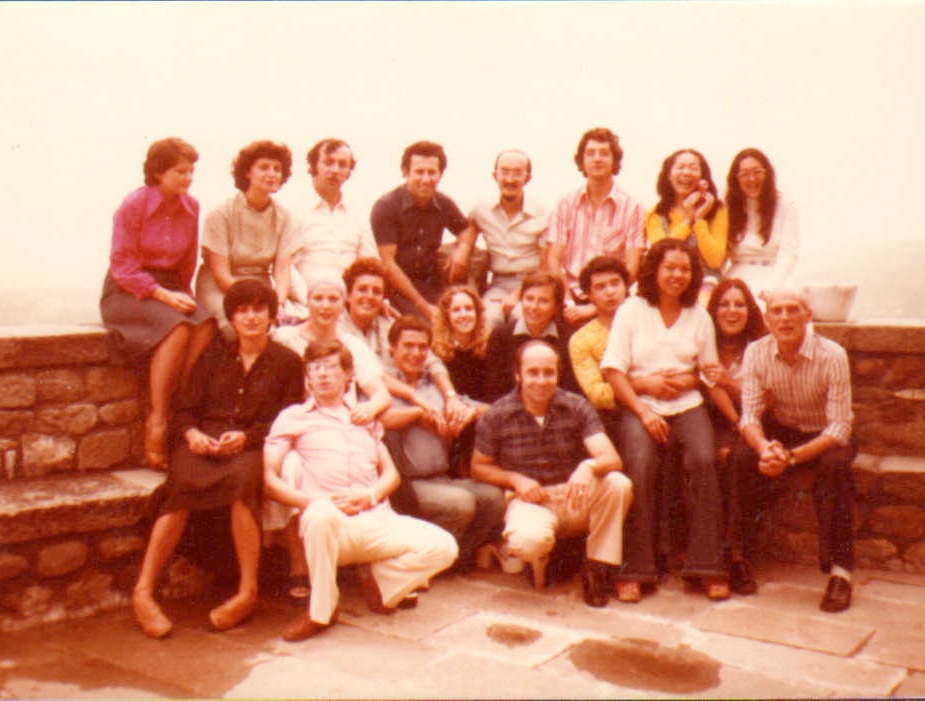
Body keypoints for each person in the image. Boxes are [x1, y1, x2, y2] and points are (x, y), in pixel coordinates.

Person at [130, 279, 303, 638]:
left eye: (259, 309)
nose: (252, 317)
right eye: (243, 310)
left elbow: (289, 418)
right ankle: (143, 592)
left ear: (271, 316)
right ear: (232, 317)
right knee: (180, 485)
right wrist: (193, 436)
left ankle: (246, 591)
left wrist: (247, 436)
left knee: (242, 484)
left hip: (252, 445)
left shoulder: (287, 362)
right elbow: (185, 411)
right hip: (201, 443)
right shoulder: (212, 356)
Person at [264, 339, 458, 642]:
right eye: (315, 369)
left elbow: (391, 475)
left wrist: (369, 496)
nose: (323, 375)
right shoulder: (293, 418)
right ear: (307, 377)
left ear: (348, 375)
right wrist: (317, 501)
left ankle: (382, 584)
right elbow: (269, 480)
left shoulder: (364, 418)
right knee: (317, 515)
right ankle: (321, 612)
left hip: (377, 519)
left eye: (331, 368)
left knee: (445, 547)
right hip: (333, 528)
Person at [601, 238, 734, 603]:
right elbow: (614, 370)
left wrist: (689, 380)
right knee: (640, 465)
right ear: (654, 270)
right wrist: (643, 409)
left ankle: (707, 565)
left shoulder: (699, 315)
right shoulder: (631, 310)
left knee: (703, 460)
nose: (677, 275)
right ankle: (634, 569)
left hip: (688, 404)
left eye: (684, 269)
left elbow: (706, 373)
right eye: (669, 267)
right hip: (639, 403)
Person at [472, 340, 633, 606]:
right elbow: (479, 466)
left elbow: (611, 458)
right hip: (531, 500)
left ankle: (597, 567)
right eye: (533, 372)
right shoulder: (497, 414)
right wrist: (515, 479)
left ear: (558, 374)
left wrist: (588, 467)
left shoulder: (576, 405)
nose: (541, 380)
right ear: (518, 375)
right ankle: (544, 557)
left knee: (618, 484)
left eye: (549, 372)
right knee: (528, 542)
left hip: (572, 496)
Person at [728, 288, 856, 612]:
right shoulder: (756, 352)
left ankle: (840, 572)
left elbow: (840, 427)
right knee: (741, 457)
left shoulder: (833, 355)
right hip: (782, 430)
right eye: (777, 311)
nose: (785, 318)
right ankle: (736, 556)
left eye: (792, 310)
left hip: (824, 433)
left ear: (807, 316)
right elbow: (750, 416)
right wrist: (764, 449)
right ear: (767, 318)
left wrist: (792, 458)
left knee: (836, 468)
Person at [100, 137, 216, 468]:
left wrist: (184, 297)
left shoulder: (191, 206)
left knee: (204, 325)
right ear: (159, 172)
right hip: (129, 289)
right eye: (181, 171)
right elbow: (123, 266)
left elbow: (186, 263)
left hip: (170, 287)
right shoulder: (133, 205)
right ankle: (158, 419)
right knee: (177, 328)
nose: (188, 178)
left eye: (192, 171)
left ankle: (183, 413)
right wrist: (163, 296)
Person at [381, 316, 504, 571]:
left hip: (441, 477)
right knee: (460, 503)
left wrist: (467, 412)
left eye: (422, 347)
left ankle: (455, 559)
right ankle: (424, 561)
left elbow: (489, 410)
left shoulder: (433, 385)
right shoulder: (381, 384)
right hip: (408, 484)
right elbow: (382, 418)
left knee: (493, 498)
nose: (416, 353)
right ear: (392, 348)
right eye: (408, 346)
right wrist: (417, 415)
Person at [338, 258, 469, 426]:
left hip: (402, 397)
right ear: (348, 295)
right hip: (366, 403)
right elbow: (372, 374)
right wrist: (413, 395)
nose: (369, 296)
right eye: (362, 290)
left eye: (377, 292)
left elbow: (431, 361)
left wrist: (451, 397)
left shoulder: (388, 323)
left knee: (455, 417)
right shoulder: (338, 329)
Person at [196, 140, 301, 338]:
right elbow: (220, 274)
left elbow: (281, 270)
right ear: (247, 172)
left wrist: (277, 303)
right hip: (221, 286)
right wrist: (255, 299)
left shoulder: (285, 217)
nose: (271, 173)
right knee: (235, 326)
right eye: (263, 167)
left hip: (261, 284)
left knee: (279, 329)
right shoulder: (221, 214)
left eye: (276, 169)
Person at [546, 127, 646, 327]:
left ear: (615, 161)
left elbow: (632, 267)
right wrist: (567, 303)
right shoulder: (565, 204)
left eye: (604, 153)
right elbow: (554, 260)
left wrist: (596, 307)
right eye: (590, 153)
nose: (597, 159)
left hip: (613, 299)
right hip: (571, 296)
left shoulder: (632, 207)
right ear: (581, 161)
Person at [370, 140, 477, 320]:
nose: (426, 179)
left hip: (431, 284)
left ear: (440, 174)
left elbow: (467, 229)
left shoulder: (443, 203)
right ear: (405, 172)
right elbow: (388, 265)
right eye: (419, 172)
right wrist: (424, 307)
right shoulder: (386, 206)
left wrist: (463, 250)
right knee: (426, 327)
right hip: (396, 289)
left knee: (466, 318)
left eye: (432, 172)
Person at [468, 149, 550, 328]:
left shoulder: (543, 213)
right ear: (494, 175)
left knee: (522, 317)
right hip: (497, 283)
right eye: (504, 172)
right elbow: (468, 231)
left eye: (517, 173)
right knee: (486, 320)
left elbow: (545, 267)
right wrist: (461, 251)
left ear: (528, 178)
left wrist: (518, 294)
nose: (510, 179)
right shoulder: (481, 209)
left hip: (532, 283)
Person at [291, 139, 378, 301]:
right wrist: (308, 300)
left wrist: (380, 298)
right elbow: (286, 267)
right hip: (305, 303)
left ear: (349, 172)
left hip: (351, 303)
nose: (335, 170)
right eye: (328, 163)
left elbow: (370, 264)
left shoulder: (357, 212)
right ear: (314, 166)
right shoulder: (294, 210)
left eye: (342, 164)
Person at [483, 272, 579, 402]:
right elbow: (494, 390)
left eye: (543, 301)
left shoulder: (568, 339)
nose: (534, 307)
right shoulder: (501, 335)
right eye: (529, 299)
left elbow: (571, 390)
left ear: (556, 307)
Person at [567, 256, 630, 439]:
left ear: (626, 286)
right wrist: (643, 386)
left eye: (615, 283)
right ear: (588, 294)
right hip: (613, 416)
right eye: (600, 287)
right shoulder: (581, 339)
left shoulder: (647, 322)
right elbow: (597, 394)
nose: (610, 292)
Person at [724, 148, 799, 300]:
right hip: (737, 278)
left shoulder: (785, 204)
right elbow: (720, 254)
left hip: (776, 276)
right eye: (745, 174)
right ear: (736, 178)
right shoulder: (726, 206)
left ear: (767, 173)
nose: (752, 179)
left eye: (757, 172)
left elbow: (788, 251)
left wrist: (772, 287)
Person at [645, 149, 728, 287]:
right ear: (669, 175)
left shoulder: (717, 210)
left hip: (706, 283)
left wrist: (700, 220)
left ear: (703, 177)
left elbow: (715, 261)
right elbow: (660, 255)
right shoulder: (656, 214)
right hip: (668, 284)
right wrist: (689, 219)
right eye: (680, 167)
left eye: (693, 168)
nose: (686, 172)